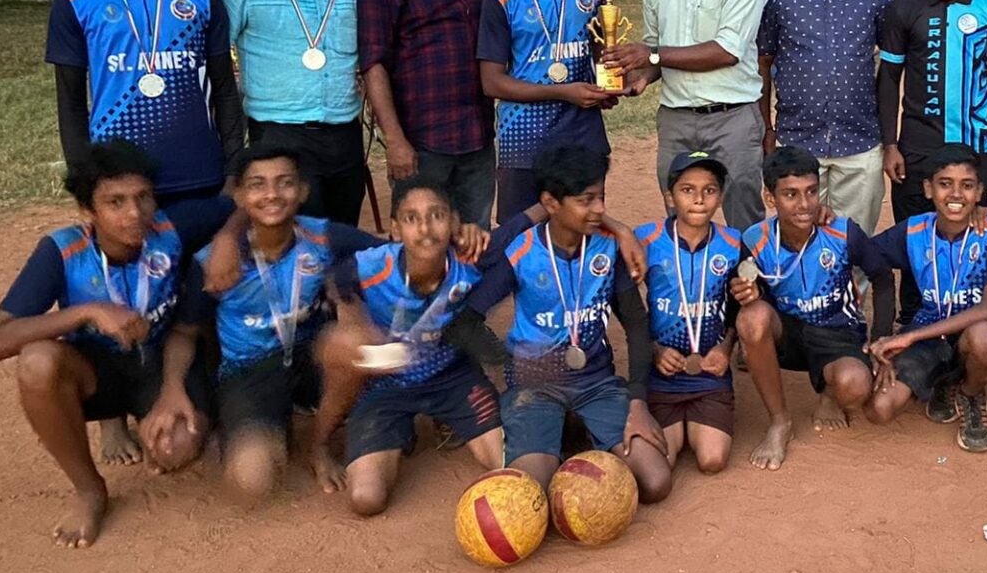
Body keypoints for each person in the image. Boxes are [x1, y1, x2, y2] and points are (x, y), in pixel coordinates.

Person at [0, 141, 233, 547]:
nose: (134, 213)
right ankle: (89, 489)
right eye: (114, 202)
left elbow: (237, 204)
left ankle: (154, 415)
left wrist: (226, 239)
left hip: (160, 362)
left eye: (142, 198)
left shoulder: (170, 228)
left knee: (178, 450)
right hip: (95, 371)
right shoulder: (61, 250)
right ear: (88, 212)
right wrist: (89, 312)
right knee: (37, 362)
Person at [149, 145, 384, 502]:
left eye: (285, 183)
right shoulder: (214, 261)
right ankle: (254, 427)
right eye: (258, 185)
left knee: (352, 342)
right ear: (240, 196)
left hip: (311, 357)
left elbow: (395, 256)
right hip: (248, 370)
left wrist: (461, 236)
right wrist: (171, 387)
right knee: (251, 482)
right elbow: (184, 332)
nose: (272, 194)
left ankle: (319, 446)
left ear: (302, 191)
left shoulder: (323, 238)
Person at [465, 147, 672, 501]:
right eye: (586, 200)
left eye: (601, 197)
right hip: (536, 388)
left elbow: (637, 325)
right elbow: (466, 320)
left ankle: (575, 428)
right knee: (531, 494)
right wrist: (506, 362)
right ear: (551, 203)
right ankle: (554, 433)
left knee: (654, 483)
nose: (600, 210)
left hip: (596, 382)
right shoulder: (522, 251)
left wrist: (637, 402)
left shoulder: (607, 250)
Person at [315, 178, 504, 516]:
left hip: (452, 376)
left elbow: (523, 237)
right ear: (395, 229)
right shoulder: (371, 266)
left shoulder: (471, 261)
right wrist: (353, 320)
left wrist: (476, 232)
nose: (426, 228)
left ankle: (444, 421)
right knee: (366, 499)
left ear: (454, 223)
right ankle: (348, 441)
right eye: (411, 218)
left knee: (509, 466)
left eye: (437, 215)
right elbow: (337, 279)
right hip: (385, 387)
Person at [50, 0, 243, 204]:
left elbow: (224, 88)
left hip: (200, 174)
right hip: (120, 182)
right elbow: (70, 102)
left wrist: (233, 171)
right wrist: (85, 183)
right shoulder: (76, 0)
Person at [604, 0, 769, 231]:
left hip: (733, 118)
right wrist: (637, 78)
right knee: (680, 217)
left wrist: (651, 56)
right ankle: (688, 283)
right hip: (676, 118)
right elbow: (658, 55)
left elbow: (726, 51)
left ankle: (751, 284)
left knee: (745, 217)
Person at [879, 0, 987, 326]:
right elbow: (888, 79)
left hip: (978, 146)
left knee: (977, 237)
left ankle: (977, 335)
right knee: (919, 241)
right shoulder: (904, 8)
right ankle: (912, 325)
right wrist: (890, 143)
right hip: (918, 148)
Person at [730, 147, 897, 470]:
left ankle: (830, 396)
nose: (804, 204)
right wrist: (745, 293)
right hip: (787, 334)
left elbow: (883, 277)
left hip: (838, 333)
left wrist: (881, 338)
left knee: (856, 385)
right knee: (752, 318)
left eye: (810, 192)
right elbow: (739, 296)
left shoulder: (842, 231)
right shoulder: (754, 240)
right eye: (790, 195)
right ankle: (780, 422)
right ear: (770, 197)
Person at [218, 0, 365, 226]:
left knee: (342, 239)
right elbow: (216, 61)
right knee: (293, 246)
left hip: (345, 135)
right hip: (278, 135)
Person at [358, 0, 495, 228]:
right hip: (422, 142)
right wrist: (397, 142)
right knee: (422, 241)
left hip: (478, 134)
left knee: (476, 237)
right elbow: (374, 65)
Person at [864, 145, 987, 453]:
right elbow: (860, 252)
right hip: (929, 335)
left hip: (972, 333)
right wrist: (823, 221)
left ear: (979, 192)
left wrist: (908, 337)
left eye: (966, 185)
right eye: (944, 183)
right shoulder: (914, 230)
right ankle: (943, 381)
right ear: (928, 188)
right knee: (880, 408)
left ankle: (970, 391)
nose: (956, 194)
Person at [479, 0, 614, 223]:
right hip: (522, 136)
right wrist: (563, 92)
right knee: (519, 231)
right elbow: (492, 83)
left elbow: (603, 52)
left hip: (582, 133)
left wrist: (609, 85)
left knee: (584, 225)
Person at [757, 0, 892, 233]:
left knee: (855, 240)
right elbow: (763, 61)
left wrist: (890, 138)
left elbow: (892, 66)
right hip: (798, 140)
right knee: (799, 235)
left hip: (860, 141)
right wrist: (767, 130)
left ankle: (855, 288)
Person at [635, 152, 741, 478]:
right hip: (662, 374)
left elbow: (740, 306)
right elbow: (626, 305)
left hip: (709, 373)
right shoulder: (645, 239)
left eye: (709, 190)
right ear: (669, 196)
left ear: (720, 197)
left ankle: (700, 419)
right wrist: (653, 350)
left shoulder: (733, 244)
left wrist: (725, 350)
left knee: (712, 460)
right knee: (660, 463)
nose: (698, 199)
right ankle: (673, 423)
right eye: (687, 190)